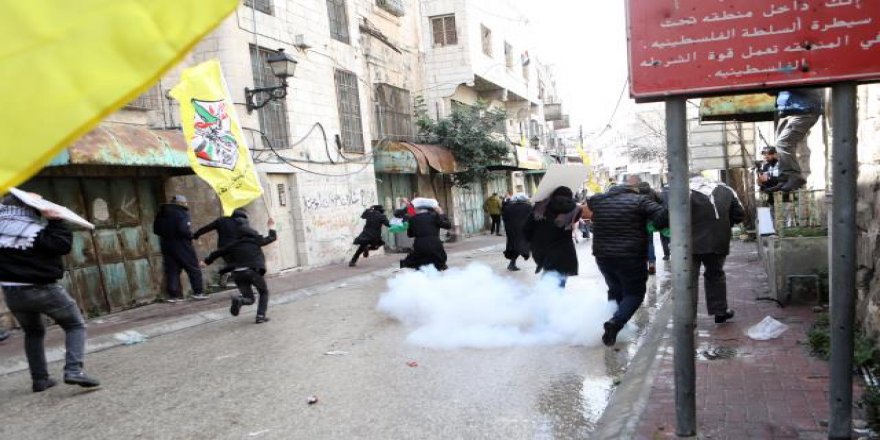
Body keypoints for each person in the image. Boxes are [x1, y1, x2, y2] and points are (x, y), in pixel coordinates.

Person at [0, 193, 100, 392]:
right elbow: (62, 245)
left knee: (33, 332)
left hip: (12, 292)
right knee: (74, 325)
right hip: (42, 289)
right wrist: (55, 221)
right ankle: (73, 370)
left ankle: (40, 380)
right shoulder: (34, 231)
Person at [588, 182, 668, 346]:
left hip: (603, 256)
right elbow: (662, 218)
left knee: (615, 289)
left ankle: (614, 322)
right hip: (630, 256)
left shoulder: (599, 201)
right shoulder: (640, 201)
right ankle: (615, 323)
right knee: (634, 293)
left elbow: (590, 207)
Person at [689, 176, 745, 324]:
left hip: (688, 243)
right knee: (716, 275)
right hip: (717, 240)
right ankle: (720, 311)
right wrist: (723, 224)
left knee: (689, 280)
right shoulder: (726, 190)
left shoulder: (681, 190)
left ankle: (689, 318)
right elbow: (739, 215)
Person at [203, 218, 277, 324]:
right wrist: (271, 226)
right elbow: (272, 237)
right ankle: (260, 316)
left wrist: (206, 261)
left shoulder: (233, 244)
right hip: (252, 272)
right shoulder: (256, 241)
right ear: (251, 232)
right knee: (263, 292)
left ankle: (240, 300)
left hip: (238, 274)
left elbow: (218, 252)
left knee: (249, 298)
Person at [523, 186, 581, 288]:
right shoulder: (575, 209)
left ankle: (548, 302)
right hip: (564, 252)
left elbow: (526, 229)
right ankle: (551, 302)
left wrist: (532, 242)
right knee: (557, 284)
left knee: (549, 282)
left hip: (543, 250)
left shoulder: (539, 208)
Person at [153, 195, 207, 302]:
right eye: (185, 203)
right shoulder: (181, 213)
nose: (186, 204)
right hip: (182, 245)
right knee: (193, 268)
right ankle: (198, 292)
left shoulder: (161, 214)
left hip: (167, 245)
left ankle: (173, 296)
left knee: (172, 270)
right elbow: (183, 230)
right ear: (181, 203)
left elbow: (156, 230)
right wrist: (190, 235)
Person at [769, 88, 823, 192]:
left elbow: (807, 88)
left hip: (804, 111)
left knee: (783, 144)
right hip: (788, 111)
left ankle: (794, 176)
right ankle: (784, 179)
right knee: (779, 146)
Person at [193, 208, 250, 287]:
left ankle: (226, 275)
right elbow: (248, 234)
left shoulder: (221, 220)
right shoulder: (242, 222)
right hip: (237, 247)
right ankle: (244, 286)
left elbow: (207, 228)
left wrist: (196, 235)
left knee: (232, 264)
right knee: (240, 266)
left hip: (223, 247)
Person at [400, 198, 452, 271]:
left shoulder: (412, 219)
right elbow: (448, 225)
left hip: (419, 246)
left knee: (418, 265)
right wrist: (441, 213)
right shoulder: (435, 216)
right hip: (435, 245)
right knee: (440, 264)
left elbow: (410, 234)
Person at [501, 193, 532, 271]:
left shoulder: (508, 207)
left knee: (514, 247)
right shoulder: (528, 207)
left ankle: (512, 263)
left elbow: (504, 218)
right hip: (523, 230)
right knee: (523, 246)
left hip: (511, 231)